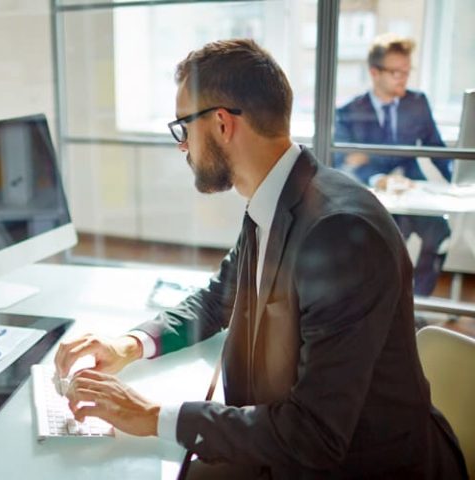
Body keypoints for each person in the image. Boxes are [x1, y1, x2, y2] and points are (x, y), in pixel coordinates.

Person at [54, 39, 467, 478]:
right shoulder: (278, 198)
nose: (182, 147)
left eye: (183, 128)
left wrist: (152, 415)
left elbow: (315, 435)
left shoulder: (340, 234)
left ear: (220, 124)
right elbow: (219, 298)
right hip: (292, 445)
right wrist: (130, 344)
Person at [334, 33, 451, 296]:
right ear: (374, 72)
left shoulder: (417, 103)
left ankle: (417, 301)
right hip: (373, 193)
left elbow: (436, 148)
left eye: (407, 72)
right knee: (386, 248)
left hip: (412, 187)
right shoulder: (349, 111)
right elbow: (343, 160)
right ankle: (385, 305)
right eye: (396, 72)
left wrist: (459, 177)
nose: (403, 78)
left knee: (440, 234)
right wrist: (377, 177)